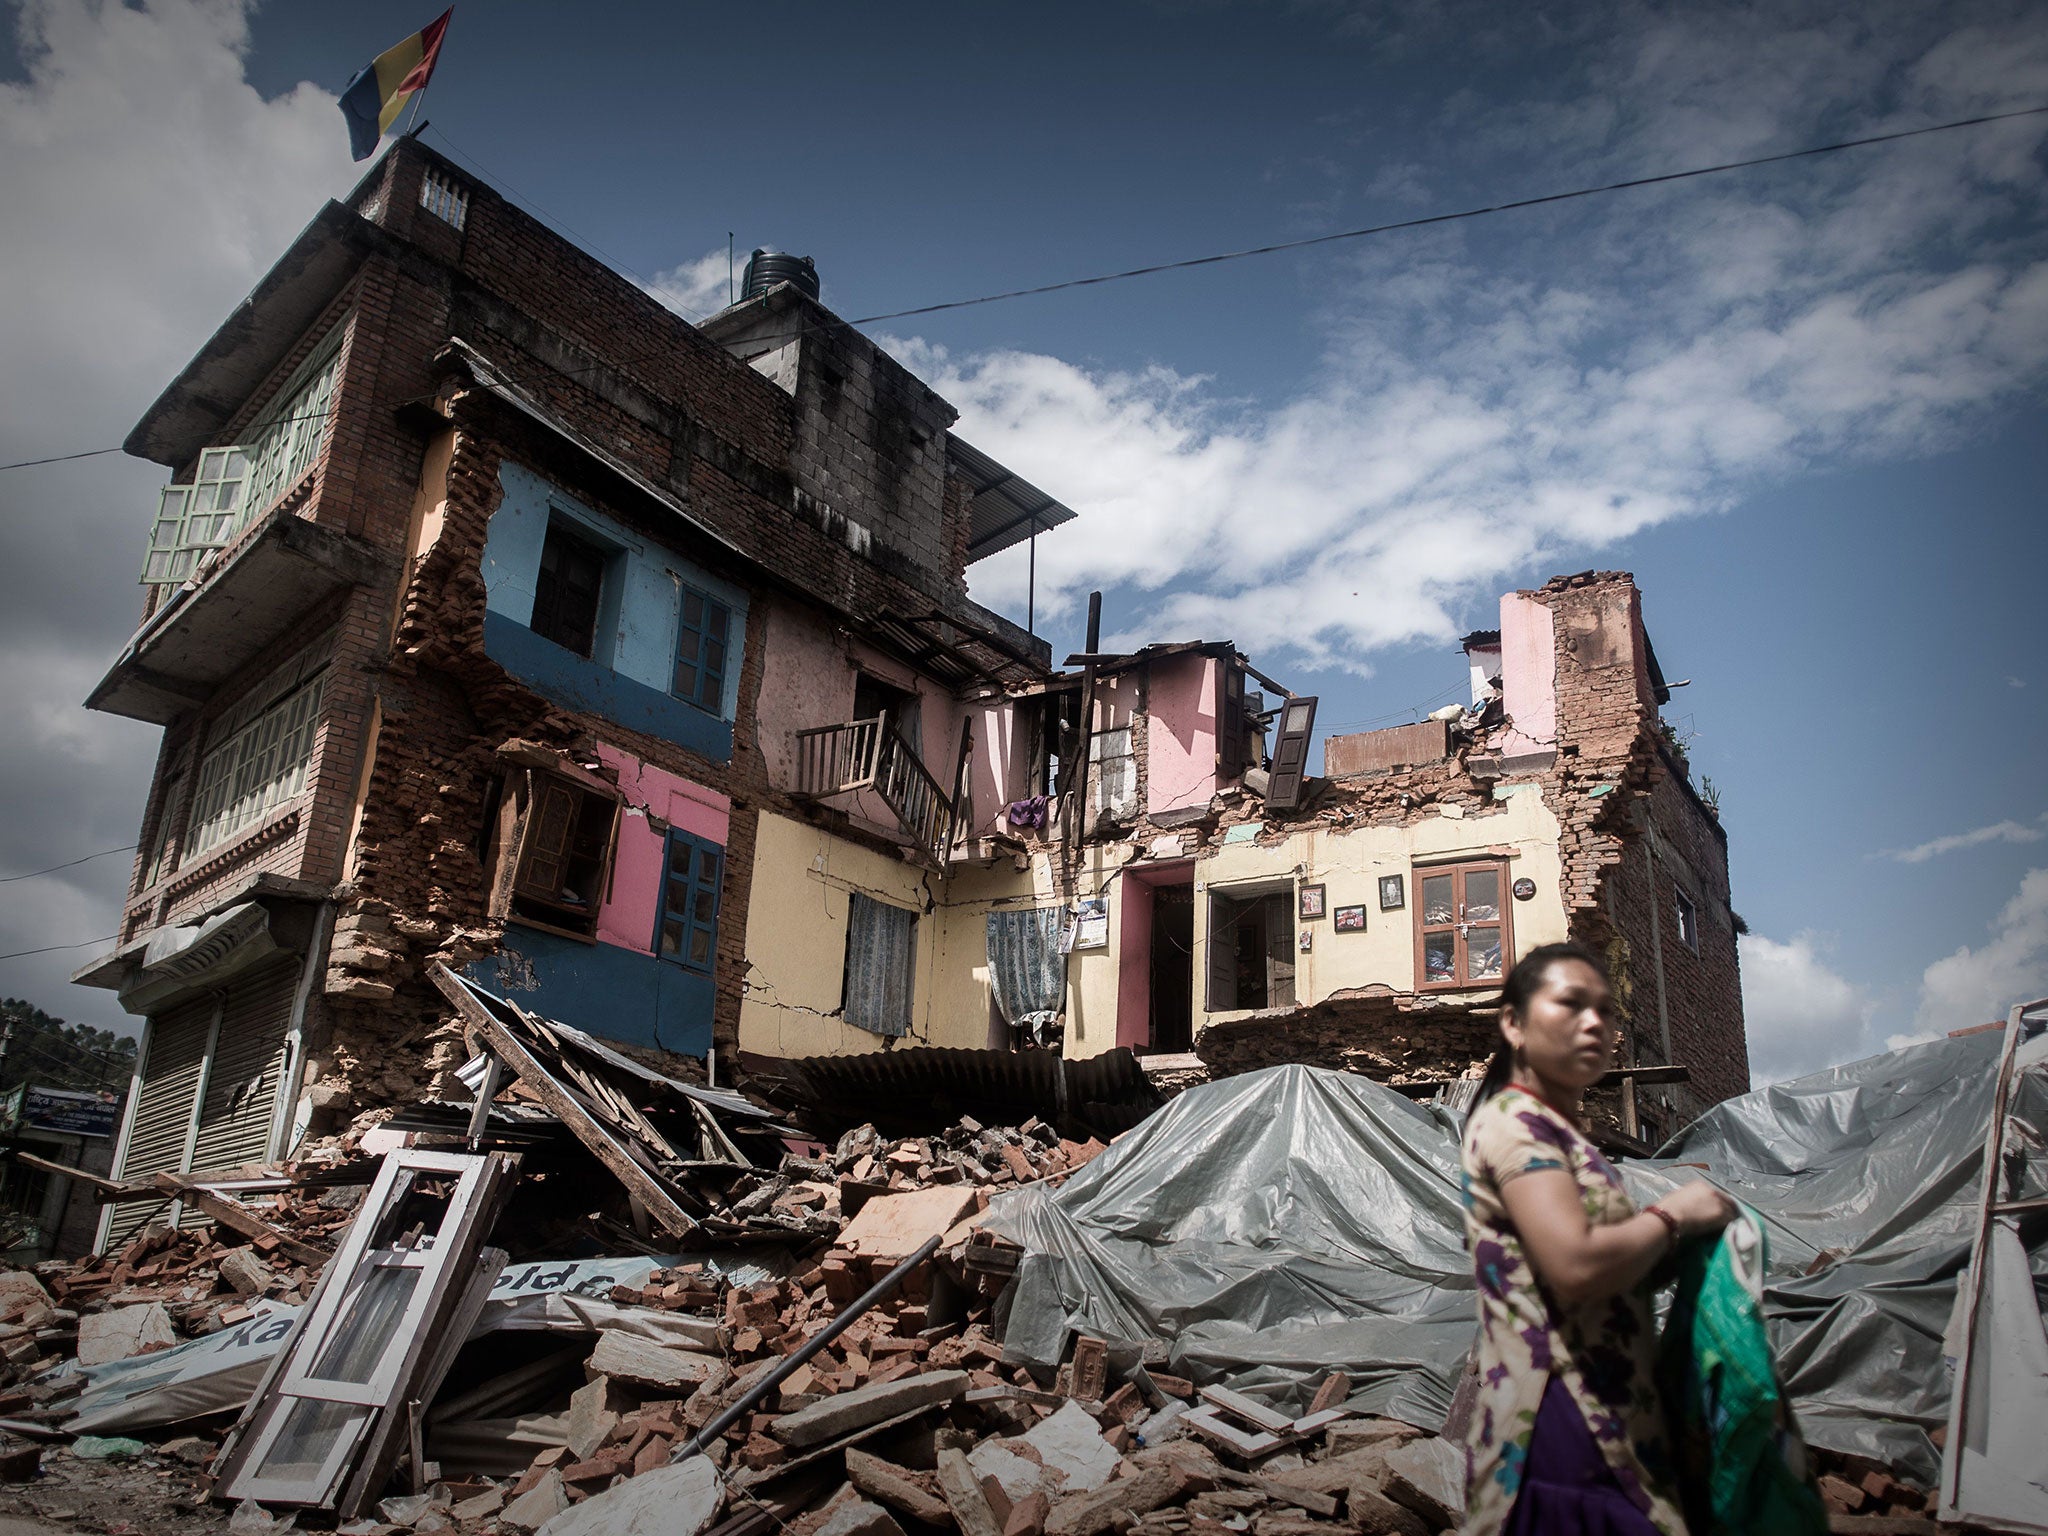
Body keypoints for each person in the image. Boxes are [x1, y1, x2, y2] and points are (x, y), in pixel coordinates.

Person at [1459, 942, 1735, 1536]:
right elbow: (1577, 1265)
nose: (1596, 1023)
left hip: (1614, 1408)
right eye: (1571, 1004)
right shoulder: (1515, 1123)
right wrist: (1674, 1216)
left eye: (1607, 1011)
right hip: (1561, 1420)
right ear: (1513, 1023)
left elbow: (1611, 1270)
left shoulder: (1564, 1135)